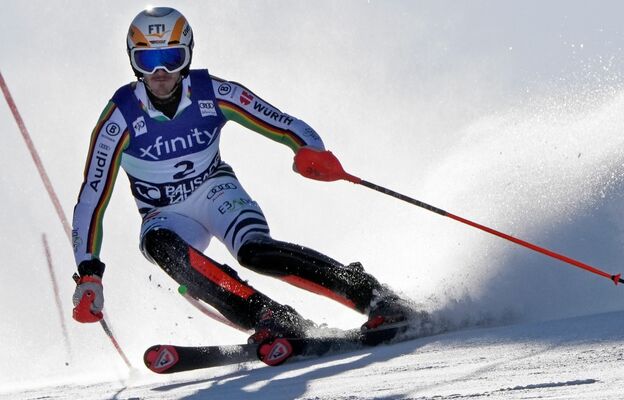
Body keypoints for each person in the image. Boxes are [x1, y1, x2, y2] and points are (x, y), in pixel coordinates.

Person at [71, 6, 408, 364]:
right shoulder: (118, 118)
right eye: (148, 60)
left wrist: (311, 150)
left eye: (171, 58)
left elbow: (283, 122)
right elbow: (92, 198)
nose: (160, 73)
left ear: (187, 55)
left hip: (216, 192)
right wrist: (88, 274)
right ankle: (271, 318)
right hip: (166, 213)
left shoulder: (212, 92)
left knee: (255, 252)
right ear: (132, 61)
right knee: (158, 245)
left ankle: (375, 297)